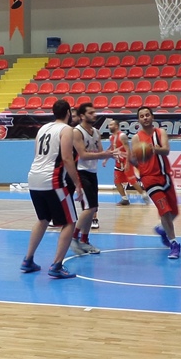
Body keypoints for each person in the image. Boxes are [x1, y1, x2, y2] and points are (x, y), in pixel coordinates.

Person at [21, 100, 83, 279]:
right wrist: (77, 183)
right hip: (52, 180)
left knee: (43, 219)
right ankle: (57, 265)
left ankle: (28, 260)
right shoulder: (66, 129)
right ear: (68, 113)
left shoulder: (43, 128)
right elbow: (67, 158)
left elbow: (37, 154)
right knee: (70, 222)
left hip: (34, 177)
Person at [131, 106, 181, 260]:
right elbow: (133, 159)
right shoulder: (136, 138)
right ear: (138, 120)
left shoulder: (160, 132)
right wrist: (136, 158)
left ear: (152, 117)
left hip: (165, 176)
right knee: (164, 211)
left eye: (147, 115)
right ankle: (174, 244)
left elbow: (166, 150)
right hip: (149, 178)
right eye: (142, 116)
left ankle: (162, 229)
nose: (145, 118)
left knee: (174, 212)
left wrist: (152, 149)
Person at [70, 103, 114, 255]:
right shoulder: (77, 132)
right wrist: (104, 154)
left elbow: (100, 152)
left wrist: (111, 154)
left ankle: (84, 240)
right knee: (89, 208)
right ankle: (73, 237)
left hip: (92, 172)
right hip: (81, 172)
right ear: (82, 116)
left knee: (93, 208)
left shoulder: (96, 132)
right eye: (91, 113)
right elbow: (83, 155)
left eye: (95, 112)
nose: (94, 115)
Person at [103, 119, 151, 206]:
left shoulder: (122, 136)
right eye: (109, 125)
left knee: (132, 181)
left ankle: (144, 195)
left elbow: (128, 150)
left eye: (111, 125)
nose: (109, 126)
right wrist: (106, 159)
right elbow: (111, 148)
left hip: (125, 160)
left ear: (116, 126)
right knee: (117, 182)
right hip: (118, 162)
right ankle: (125, 199)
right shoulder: (111, 137)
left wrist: (128, 163)